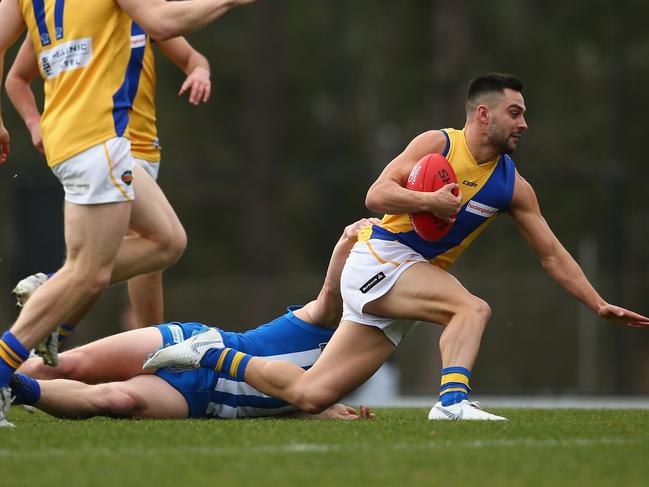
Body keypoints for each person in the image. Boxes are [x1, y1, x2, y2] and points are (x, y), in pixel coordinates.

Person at [145, 73, 649, 421]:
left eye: (524, 115)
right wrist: (430, 200)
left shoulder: (513, 186)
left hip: (405, 282)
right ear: (483, 113)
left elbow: (552, 255)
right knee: (471, 308)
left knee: (309, 392)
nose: (523, 123)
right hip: (380, 255)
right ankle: (452, 402)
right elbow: (376, 194)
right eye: (514, 112)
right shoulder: (438, 144)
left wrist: (596, 302)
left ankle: (206, 354)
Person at [0, 0, 256, 427]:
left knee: (166, 241)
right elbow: (162, 19)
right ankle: (10, 366)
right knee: (87, 275)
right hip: (99, 138)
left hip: (82, 139)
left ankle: (54, 303)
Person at [10, 219, 378, 421]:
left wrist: (314, 414)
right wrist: (347, 239)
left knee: (117, 401)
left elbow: (293, 396)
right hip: (190, 341)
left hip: (204, 398)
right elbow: (330, 292)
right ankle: (6, 365)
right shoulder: (323, 322)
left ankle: (13, 388)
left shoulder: (333, 379)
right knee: (71, 365)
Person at [6, 27, 212, 365]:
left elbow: (190, 52)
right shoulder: (65, 13)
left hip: (139, 150)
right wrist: (34, 124)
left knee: (105, 266)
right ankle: (154, 356)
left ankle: (46, 342)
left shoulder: (142, 14)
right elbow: (16, 76)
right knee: (150, 249)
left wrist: (199, 69)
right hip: (107, 146)